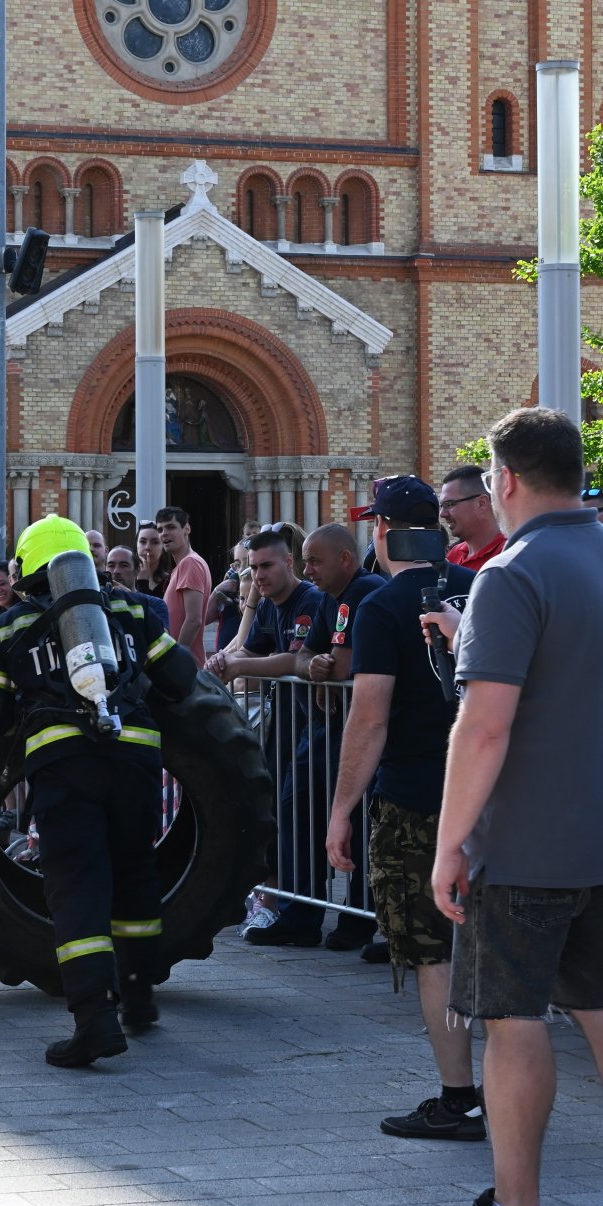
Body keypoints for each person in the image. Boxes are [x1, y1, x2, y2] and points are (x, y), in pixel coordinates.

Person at [423, 408, 603, 1206]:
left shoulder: (512, 573)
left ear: (505, 479)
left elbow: (485, 727)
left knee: (512, 1022)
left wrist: (449, 844)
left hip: (524, 845)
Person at [0, 516, 198, 1065]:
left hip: (65, 767)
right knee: (135, 873)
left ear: (28, 569)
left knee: (76, 887)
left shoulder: (11, 625)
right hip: (136, 760)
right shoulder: (129, 610)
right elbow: (181, 679)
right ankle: (138, 999)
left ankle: (94, 1022)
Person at [324, 487, 482, 1142]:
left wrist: (340, 810)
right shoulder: (479, 586)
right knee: (495, 951)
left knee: (433, 953)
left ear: (385, 530)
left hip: (417, 801)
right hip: (491, 798)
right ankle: (507, 1095)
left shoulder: (382, 605)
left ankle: (459, 1097)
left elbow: (370, 717)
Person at [209, 526, 331, 949]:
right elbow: (252, 649)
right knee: (284, 810)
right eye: (253, 567)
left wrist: (241, 667)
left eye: (266, 566)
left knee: (305, 815)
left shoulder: (309, 601)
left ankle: (306, 912)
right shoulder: (267, 606)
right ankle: (288, 905)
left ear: (289, 563)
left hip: (317, 725)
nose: (258, 575)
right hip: (288, 723)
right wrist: (224, 658)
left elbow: (295, 660)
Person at [299, 519, 387, 955]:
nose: (307, 571)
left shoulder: (362, 589)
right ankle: (329, 914)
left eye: (315, 561)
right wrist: (317, 667)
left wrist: (323, 668)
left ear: (345, 559)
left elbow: (343, 664)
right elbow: (307, 657)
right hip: (339, 726)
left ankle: (360, 919)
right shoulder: (329, 599)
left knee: (362, 823)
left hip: (367, 729)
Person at [156, 506, 212, 666]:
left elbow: (194, 620)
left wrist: (176, 660)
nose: (164, 533)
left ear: (187, 529)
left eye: (170, 527)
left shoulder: (190, 563)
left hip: (186, 668)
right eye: (160, 529)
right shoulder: (184, 565)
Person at [441, 463, 505, 571]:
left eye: (450, 504)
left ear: (481, 503)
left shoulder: (508, 554)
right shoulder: (455, 554)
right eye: (442, 506)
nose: (442, 514)